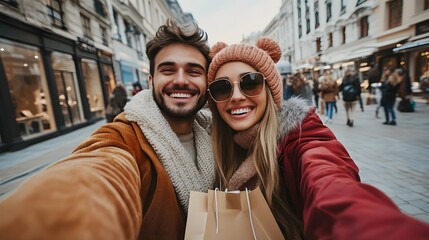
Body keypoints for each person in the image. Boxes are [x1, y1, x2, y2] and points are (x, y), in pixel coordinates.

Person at [0, 19, 214, 239]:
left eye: (193, 71)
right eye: (168, 70)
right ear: (151, 81)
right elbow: (99, 170)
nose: (180, 80)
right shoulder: (124, 138)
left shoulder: (216, 136)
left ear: (207, 83)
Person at [206, 38, 429, 239]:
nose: (235, 97)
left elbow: (328, 181)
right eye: (222, 88)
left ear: (269, 90)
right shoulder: (215, 146)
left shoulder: (301, 136)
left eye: (250, 82)